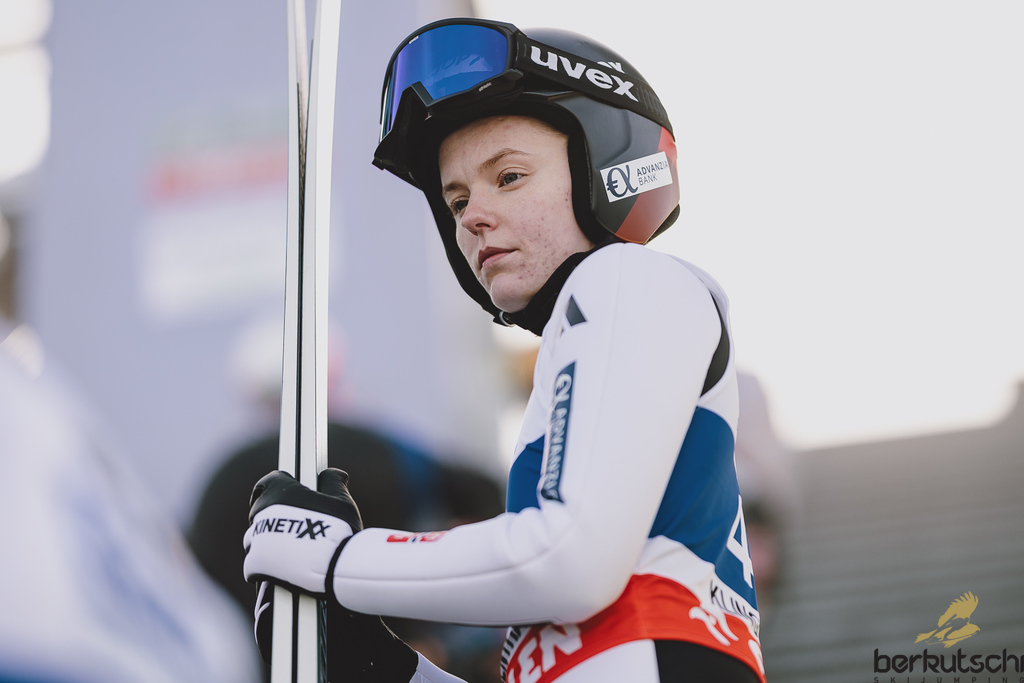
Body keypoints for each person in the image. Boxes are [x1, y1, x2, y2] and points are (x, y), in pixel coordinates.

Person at [243, 18, 766, 683]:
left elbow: (568, 559)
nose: (472, 216)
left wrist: (340, 559)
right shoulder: (584, 364)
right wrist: (374, 661)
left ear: (603, 166)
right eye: (457, 199)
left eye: (509, 176)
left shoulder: (631, 276)